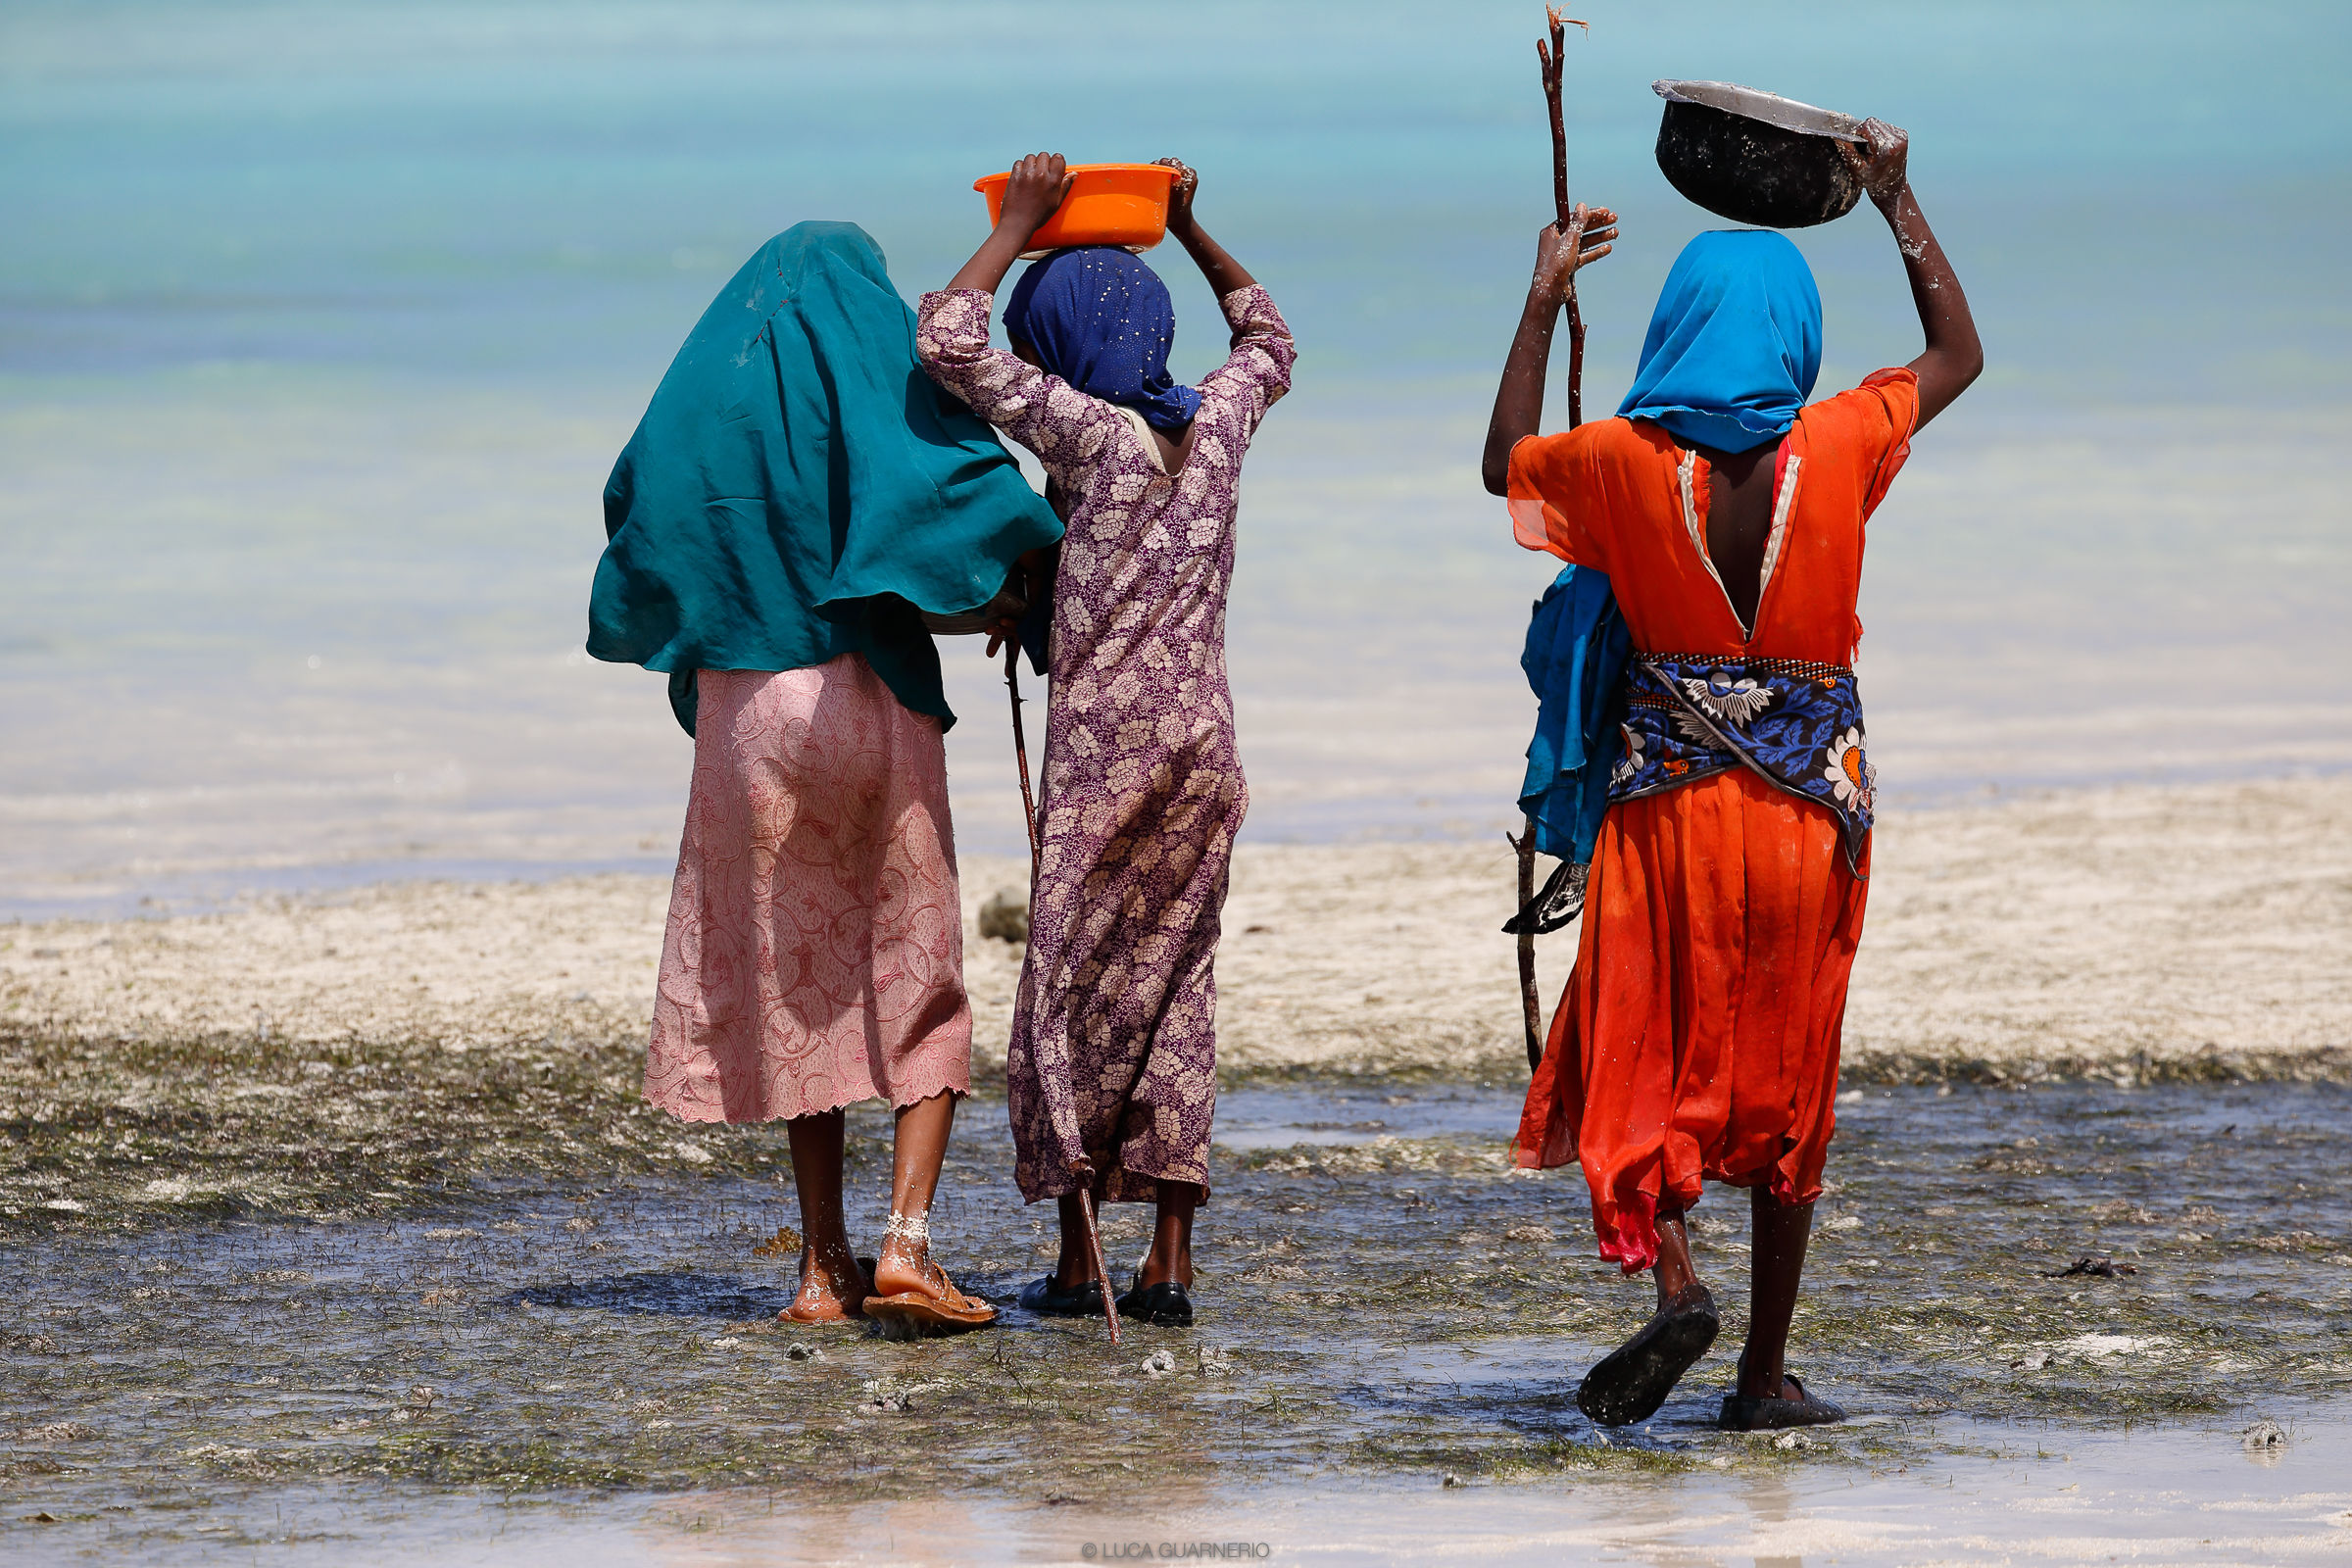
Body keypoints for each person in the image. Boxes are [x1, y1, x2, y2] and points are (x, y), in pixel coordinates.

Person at [1482, 122, 1982, 1428]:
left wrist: (1544, 290)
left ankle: (1676, 1284)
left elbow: (1503, 465)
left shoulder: (1622, 464)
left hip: (1670, 819)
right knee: (1786, 1082)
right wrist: (1896, 198)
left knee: (1641, 1055)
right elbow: (1957, 356)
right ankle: (1761, 1377)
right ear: (1795, 334)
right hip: (1813, 825)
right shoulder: (1843, 441)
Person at [590, 221, 1065, 1334]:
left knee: (800, 990)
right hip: (861, 703)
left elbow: (637, 510)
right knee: (912, 963)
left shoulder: (707, 405)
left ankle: (819, 1270)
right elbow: (921, 506)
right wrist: (1005, 596)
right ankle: (907, 1247)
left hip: (744, 716)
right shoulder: (864, 376)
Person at [915, 153, 1295, 1327]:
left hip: (1104, 752)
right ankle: (1168, 1256)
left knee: (1064, 990)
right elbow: (1270, 341)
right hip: (1204, 744)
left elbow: (947, 342)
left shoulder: (1090, 435)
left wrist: (1018, 222)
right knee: (1180, 976)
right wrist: (1190, 225)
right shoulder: (1215, 428)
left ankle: (1081, 1261)